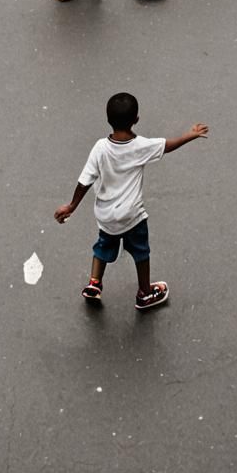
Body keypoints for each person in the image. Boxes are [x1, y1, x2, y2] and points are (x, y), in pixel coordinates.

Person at [54, 92, 208, 310]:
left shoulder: (100, 148)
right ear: (136, 119)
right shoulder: (141, 146)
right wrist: (190, 135)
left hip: (106, 215)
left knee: (102, 247)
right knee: (141, 251)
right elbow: (167, 145)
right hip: (132, 216)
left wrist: (71, 206)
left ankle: (94, 284)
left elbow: (84, 181)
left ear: (108, 119)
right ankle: (145, 293)